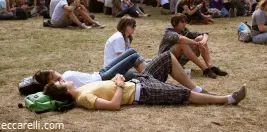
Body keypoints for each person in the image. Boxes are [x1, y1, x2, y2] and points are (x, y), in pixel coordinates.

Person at [44, 51, 247, 110]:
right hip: (143, 92)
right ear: (63, 91)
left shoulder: (82, 88)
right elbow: (114, 105)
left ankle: (200, 89)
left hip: (140, 80)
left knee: (166, 57)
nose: (63, 79)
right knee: (182, 95)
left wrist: (116, 78)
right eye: (60, 82)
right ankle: (227, 99)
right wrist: (121, 85)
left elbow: (107, 86)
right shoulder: (83, 98)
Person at [158, 14, 227, 79]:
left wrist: (203, 41)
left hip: (178, 60)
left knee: (200, 38)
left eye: (185, 22)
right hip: (165, 61)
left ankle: (210, 66)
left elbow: (204, 34)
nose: (184, 24)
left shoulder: (183, 31)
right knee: (182, 43)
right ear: (174, 23)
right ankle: (205, 69)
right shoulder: (169, 32)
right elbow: (181, 39)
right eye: (182, 22)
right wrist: (197, 43)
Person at [33, 49, 146, 87]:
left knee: (131, 52)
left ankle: (148, 67)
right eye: (53, 75)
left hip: (99, 73)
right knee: (134, 57)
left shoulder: (63, 78)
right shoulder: (62, 84)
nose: (57, 73)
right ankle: (150, 78)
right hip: (103, 78)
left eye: (54, 72)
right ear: (50, 81)